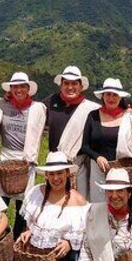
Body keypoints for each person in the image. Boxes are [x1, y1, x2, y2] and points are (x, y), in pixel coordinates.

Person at [0, 72, 47, 238]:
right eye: (15, 86)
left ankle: (18, 238)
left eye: (22, 86)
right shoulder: (0, 104)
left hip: (26, 159)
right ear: (10, 89)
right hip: (6, 159)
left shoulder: (38, 108)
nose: (19, 90)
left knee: (22, 205)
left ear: (28, 88)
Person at [80, 78, 132, 203]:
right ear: (103, 96)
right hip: (99, 171)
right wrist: (97, 157)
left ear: (120, 97)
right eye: (108, 94)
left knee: (123, 204)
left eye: (115, 95)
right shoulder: (93, 116)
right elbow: (85, 146)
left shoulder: (128, 117)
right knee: (99, 205)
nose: (111, 98)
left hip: (122, 171)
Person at [43, 66, 100, 199]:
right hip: (55, 164)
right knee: (54, 201)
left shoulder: (90, 109)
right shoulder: (51, 101)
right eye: (66, 83)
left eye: (74, 83)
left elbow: (109, 113)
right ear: (61, 85)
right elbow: (33, 111)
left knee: (77, 202)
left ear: (81, 86)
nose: (70, 87)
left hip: (77, 165)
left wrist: (125, 110)